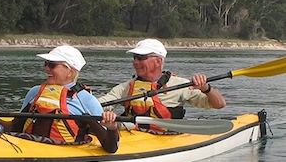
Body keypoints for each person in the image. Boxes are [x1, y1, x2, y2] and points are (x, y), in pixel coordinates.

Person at [0, 45, 119, 153]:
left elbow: (110, 147)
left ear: (69, 71)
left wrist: (112, 128)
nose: (46, 69)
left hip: (63, 153)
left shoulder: (86, 100)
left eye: (52, 65)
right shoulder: (35, 92)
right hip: (28, 148)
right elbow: (14, 128)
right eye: (46, 63)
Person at [97, 39, 226, 130]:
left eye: (141, 58)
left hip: (166, 136)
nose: (135, 62)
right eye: (135, 57)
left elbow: (219, 104)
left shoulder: (181, 85)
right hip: (133, 136)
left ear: (158, 61)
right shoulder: (125, 88)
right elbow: (98, 105)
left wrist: (206, 88)